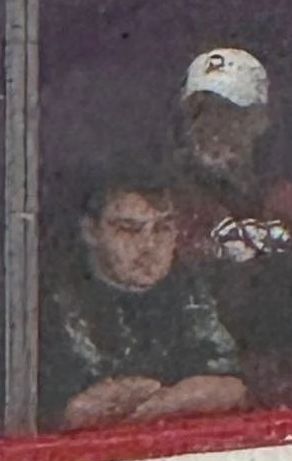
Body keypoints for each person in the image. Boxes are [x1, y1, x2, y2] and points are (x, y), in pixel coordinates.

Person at [170, 47, 292, 406]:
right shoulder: (162, 198)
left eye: (230, 112)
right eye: (200, 113)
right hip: (212, 394)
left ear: (262, 119)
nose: (213, 127)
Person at [40, 175, 246, 432]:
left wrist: (170, 402)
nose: (149, 246)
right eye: (129, 230)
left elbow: (234, 385)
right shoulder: (45, 306)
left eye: (162, 229)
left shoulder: (197, 288)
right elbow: (54, 416)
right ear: (91, 232)